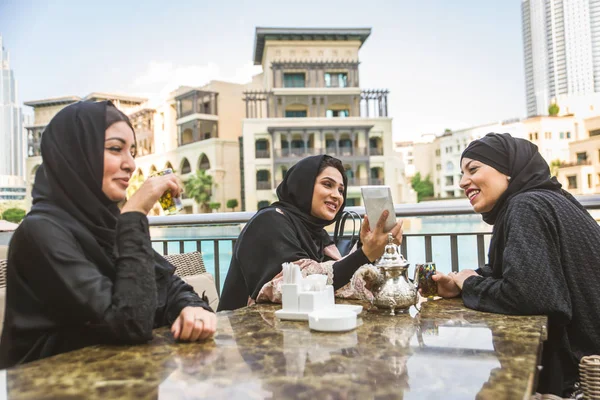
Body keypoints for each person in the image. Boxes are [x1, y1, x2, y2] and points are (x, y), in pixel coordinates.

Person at [0, 101, 217, 368]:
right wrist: (134, 213)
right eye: (116, 149)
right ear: (76, 155)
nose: (131, 164)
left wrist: (190, 308)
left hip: (117, 378)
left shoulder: (105, 224)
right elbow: (129, 323)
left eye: (132, 151)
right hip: (51, 384)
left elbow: (168, 287)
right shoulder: (40, 233)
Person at [432, 132, 600, 397]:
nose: (463, 182)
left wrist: (472, 285)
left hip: (581, 377)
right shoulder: (550, 199)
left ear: (508, 170)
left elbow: (531, 297)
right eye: (461, 174)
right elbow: (527, 270)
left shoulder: (526, 206)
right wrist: (463, 284)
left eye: (473, 169)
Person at [218, 154, 403, 311]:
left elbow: (336, 282)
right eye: (327, 184)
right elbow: (299, 285)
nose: (337, 195)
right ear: (303, 185)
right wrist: (365, 254)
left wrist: (368, 248)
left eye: (341, 190)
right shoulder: (269, 222)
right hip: (246, 339)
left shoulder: (316, 234)